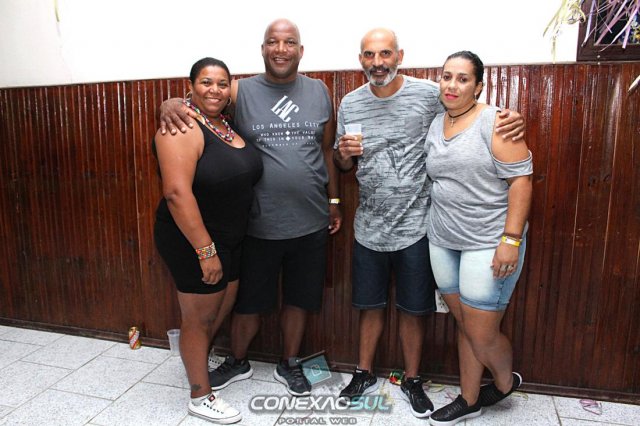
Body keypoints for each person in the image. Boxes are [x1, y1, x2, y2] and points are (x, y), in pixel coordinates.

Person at [333, 29, 525, 419]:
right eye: (369, 55)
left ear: (399, 55)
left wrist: (510, 117)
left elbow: (469, 110)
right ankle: (363, 373)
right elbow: (341, 163)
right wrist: (344, 155)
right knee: (369, 306)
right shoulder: (350, 102)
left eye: (385, 53)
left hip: (420, 226)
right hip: (371, 225)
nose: (377, 62)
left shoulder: (428, 94)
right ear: (360, 59)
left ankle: (413, 379)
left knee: (414, 309)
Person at [159, 19, 342, 397]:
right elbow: (203, 103)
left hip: (311, 220)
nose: (281, 49)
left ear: (301, 50)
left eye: (289, 42)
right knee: (247, 303)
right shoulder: (239, 90)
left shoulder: (319, 91)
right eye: (273, 42)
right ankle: (238, 360)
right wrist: (171, 103)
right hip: (256, 222)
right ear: (262, 49)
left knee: (300, 300)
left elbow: (326, 150)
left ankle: (289, 363)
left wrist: (335, 201)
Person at [425, 51, 532, 426]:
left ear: (479, 86)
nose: (452, 85)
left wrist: (511, 241)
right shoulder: (437, 121)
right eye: (446, 77)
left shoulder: (496, 122)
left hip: (488, 241)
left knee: (481, 331)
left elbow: (521, 181)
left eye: (463, 78)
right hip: (443, 239)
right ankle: (469, 399)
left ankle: (504, 383)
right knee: (465, 324)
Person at [153, 57, 262, 423]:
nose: (214, 89)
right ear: (191, 87)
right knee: (198, 320)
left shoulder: (223, 124)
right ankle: (200, 396)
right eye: (205, 82)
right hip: (193, 239)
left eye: (221, 83)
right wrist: (205, 251)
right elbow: (176, 194)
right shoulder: (180, 126)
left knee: (219, 309)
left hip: (230, 237)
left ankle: (197, 359)